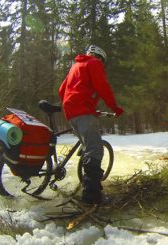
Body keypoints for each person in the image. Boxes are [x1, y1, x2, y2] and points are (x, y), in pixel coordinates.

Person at [58, 44, 124, 205]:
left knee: (88, 146)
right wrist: (115, 108)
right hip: (82, 110)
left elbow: (62, 90)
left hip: (71, 110)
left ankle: (88, 186)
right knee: (95, 150)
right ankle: (91, 196)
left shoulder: (76, 65)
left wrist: (77, 103)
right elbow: (102, 87)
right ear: (100, 58)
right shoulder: (94, 64)